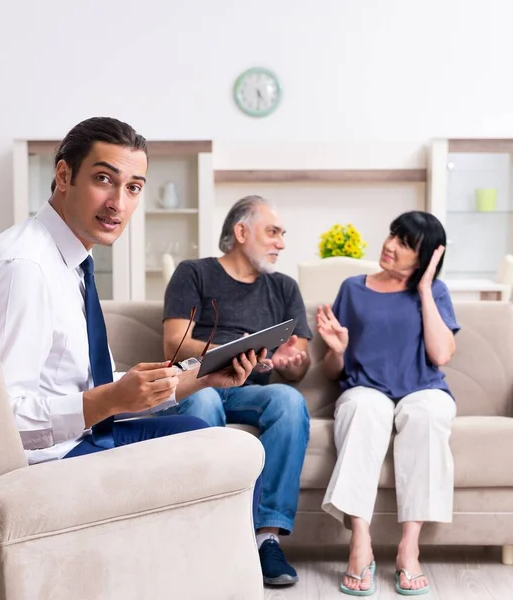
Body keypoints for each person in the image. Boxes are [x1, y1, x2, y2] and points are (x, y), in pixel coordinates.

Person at [0, 116, 261, 466]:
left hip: (77, 440)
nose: (118, 203)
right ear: (63, 176)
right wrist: (109, 399)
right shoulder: (24, 269)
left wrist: (202, 376)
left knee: (204, 435)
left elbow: (77, 389)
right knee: (227, 456)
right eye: (103, 179)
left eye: (133, 188)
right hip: (46, 463)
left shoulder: (71, 264)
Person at [161, 195, 311, 586]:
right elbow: (174, 343)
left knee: (290, 401)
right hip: (199, 381)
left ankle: (266, 538)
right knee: (206, 397)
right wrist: (230, 354)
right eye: (273, 232)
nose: (281, 242)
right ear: (241, 232)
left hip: (252, 389)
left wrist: (293, 362)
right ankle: (214, 537)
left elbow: (300, 361)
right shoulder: (194, 273)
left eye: (282, 234)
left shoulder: (284, 288)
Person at [317, 211, 459, 596]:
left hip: (423, 388)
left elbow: (442, 355)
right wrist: (336, 350)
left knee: (427, 415)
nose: (390, 245)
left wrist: (426, 288)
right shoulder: (353, 288)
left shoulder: (436, 293)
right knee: (365, 409)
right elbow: (333, 372)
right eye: (393, 235)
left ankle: (408, 549)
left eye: (405, 244)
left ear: (426, 256)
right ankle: (359, 542)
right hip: (366, 389)